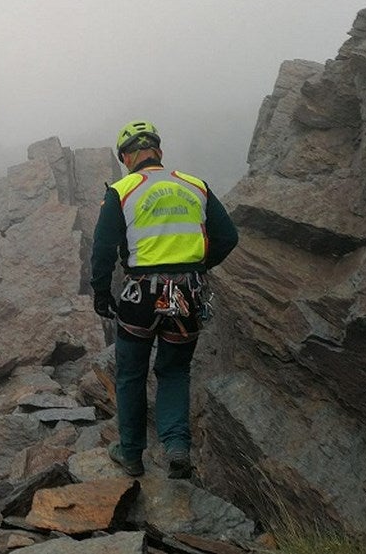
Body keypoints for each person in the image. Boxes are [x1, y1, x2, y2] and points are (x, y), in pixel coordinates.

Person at [90, 120, 238, 479]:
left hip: (141, 294)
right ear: (159, 152)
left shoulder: (122, 191)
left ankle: (131, 455)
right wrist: (199, 267)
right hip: (187, 294)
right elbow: (228, 236)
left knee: (130, 373)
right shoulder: (195, 186)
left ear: (127, 157)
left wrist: (100, 292)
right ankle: (176, 448)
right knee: (174, 371)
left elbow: (103, 247)